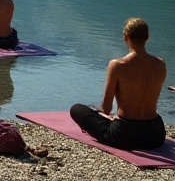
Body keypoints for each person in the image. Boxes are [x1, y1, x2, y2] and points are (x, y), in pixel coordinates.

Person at [69, 18, 166, 150]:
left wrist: (97, 110)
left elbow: (106, 108)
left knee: (77, 109)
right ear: (147, 38)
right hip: (156, 135)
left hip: (125, 135)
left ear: (125, 37)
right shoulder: (160, 64)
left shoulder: (117, 65)